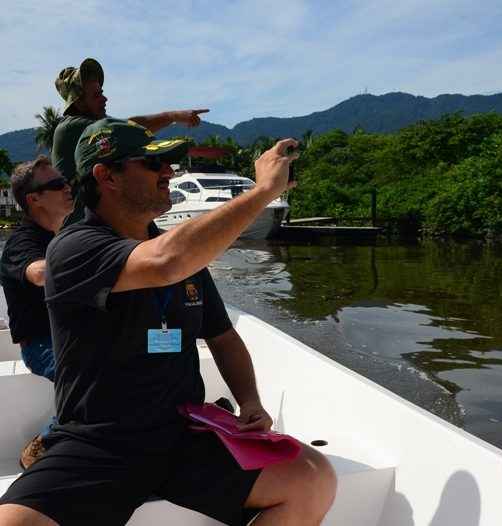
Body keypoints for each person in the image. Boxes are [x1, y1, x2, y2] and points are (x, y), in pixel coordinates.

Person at [0, 118, 337, 526]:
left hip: (183, 433)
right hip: (99, 441)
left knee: (313, 478)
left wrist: (249, 399)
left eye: (170, 164)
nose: (169, 173)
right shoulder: (73, 249)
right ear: (106, 176)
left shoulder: (185, 256)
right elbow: (164, 262)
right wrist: (262, 191)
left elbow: (224, 336)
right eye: (152, 164)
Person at [52, 57, 209, 224]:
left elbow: (127, 129)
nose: (105, 99)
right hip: (83, 230)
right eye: (96, 95)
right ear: (79, 103)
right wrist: (173, 116)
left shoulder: (90, 126)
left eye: (102, 92)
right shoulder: (70, 128)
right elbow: (126, 130)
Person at [0, 156, 74, 469]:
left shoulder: (65, 236)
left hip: (74, 335)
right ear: (34, 199)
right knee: (95, 376)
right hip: (42, 345)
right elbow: (40, 274)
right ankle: (46, 443)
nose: (67, 187)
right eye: (57, 185)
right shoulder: (22, 241)